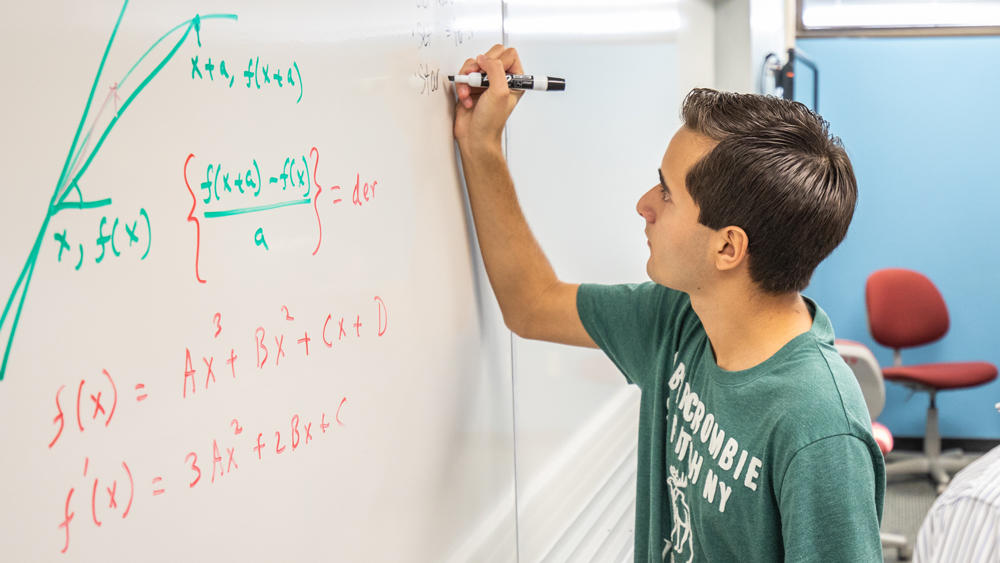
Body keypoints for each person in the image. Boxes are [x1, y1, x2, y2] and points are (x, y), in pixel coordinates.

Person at [453, 45, 885, 562]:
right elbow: (532, 304)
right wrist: (482, 147)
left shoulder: (818, 427)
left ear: (728, 247)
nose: (644, 205)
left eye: (667, 192)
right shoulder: (681, 319)